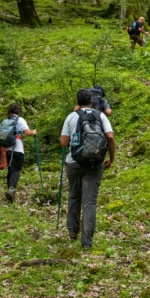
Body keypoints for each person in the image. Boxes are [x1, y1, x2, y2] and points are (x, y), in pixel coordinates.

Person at [60, 89, 115, 250]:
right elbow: (110, 137)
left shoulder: (72, 116)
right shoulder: (101, 115)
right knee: (89, 201)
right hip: (95, 163)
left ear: (78, 102)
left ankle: (72, 230)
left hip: (74, 162)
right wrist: (111, 158)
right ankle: (86, 242)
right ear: (91, 100)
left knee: (74, 194)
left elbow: (64, 143)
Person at [0, 103, 36, 203]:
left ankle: (10, 192)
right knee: (16, 170)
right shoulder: (20, 120)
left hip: (7, 149)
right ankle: (12, 190)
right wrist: (34, 132)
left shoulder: (4, 121)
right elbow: (28, 133)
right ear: (18, 111)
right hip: (17, 148)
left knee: (10, 169)